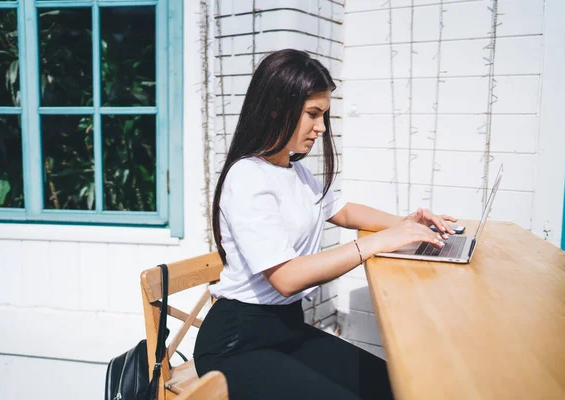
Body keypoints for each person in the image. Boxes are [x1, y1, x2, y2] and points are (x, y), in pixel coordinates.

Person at [193, 49, 456, 400]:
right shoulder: (247, 177)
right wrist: (373, 244)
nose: (321, 127)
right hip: (236, 344)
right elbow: (286, 278)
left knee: (388, 386)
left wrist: (406, 224)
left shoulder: (294, 170)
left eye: (324, 115)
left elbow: (341, 210)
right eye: (313, 114)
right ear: (275, 108)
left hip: (286, 329)